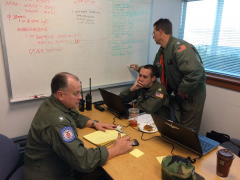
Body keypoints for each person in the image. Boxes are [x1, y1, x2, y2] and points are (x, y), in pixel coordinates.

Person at [23, 72, 133, 180]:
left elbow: (73, 115)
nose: (80, 97)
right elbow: (83, 161)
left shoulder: (53, 102)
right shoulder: (57, 123)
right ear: (60, 95)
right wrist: (115, 149)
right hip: (50, 175)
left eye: (80, 92)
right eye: (76, 94)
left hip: (50, 166)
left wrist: (94, 123)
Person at [130, 18, 206, 133]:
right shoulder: (163, 51)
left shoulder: (180, 48)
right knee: (179, 125)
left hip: (191, 94)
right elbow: (156, 69)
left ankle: (186, 150)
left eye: (154, 32)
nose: (153, 36)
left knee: (188, 131)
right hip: (180, 92)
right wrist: (140, 69)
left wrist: (182, 89)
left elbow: (196, 72)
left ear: (160, 32)